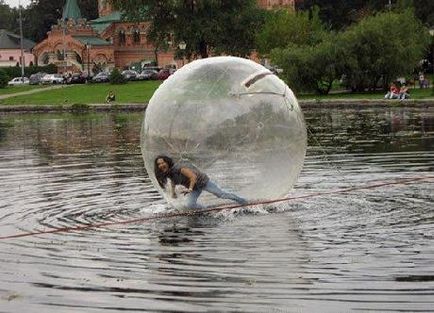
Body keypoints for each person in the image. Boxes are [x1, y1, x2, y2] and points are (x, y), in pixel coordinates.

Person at [154, 155, 247, 209]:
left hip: (203, 182)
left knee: (221, 194)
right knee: (190, 205)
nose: (161, 165)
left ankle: (244, 201)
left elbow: (193, 177)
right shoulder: (169, 173)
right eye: (159, 164)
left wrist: (189, 189)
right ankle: (206, 210)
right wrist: (173, 193)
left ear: (167, 162)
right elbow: (173, 182)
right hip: (194, 188)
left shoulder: (179, 168)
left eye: (163, 162)